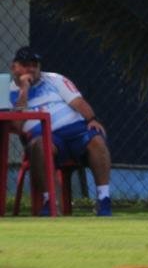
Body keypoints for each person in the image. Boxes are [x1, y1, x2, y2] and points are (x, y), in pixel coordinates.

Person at [8, 47, 113, 216]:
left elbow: (78, 102)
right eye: (26, 65)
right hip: (43, 136)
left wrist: (92, 119)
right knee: (40, 146)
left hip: (74, 130)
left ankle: (104, 199)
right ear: (14, 67)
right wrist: (24, 90)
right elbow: (17, 126)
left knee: (97, 140)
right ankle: (50, 201)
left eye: (35, 65)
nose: (32, 69)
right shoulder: (6, 89)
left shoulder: (54, 79)